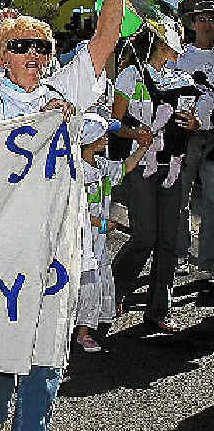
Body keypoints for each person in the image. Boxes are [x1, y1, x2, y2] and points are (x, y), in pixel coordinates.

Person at [0, 0, 124, 431]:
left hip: (60, 242)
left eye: (42, 47)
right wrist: (39, 125)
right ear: (2, 57)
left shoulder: (66, 90)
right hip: (9, 245)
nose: (34, 54)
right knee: (11, 342)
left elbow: (105, 39)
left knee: (49, 351)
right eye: (21, 47)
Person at [110, 27, 207, 334]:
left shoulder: (179, 77)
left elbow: (190, 117)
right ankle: (109, 295)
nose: (183, 41)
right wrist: (137, 134)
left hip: (173, 165)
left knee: (169, 241)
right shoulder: (131, 76)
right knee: (144, 237)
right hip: (141, 165)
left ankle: (158, 311)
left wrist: (194, 123)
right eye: (176, 36)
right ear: (161, 43)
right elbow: (114, 123)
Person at [75, 113, 149, 353]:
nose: (107, 138)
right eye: (102, 135)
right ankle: (80, 333)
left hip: (98, 242)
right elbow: (77, 211)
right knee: (85, 281)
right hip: (83, 240)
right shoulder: (77, 172)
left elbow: (125, 167)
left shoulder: (101, 165)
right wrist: (103, 224)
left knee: (96, 279)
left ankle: (86, 326)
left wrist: (142, 149)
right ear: (90, 139)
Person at [173, 0, 214, 277]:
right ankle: (178, 255)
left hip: (213, 138)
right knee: (180, 199)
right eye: (202, 19)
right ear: (193, 24)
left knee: (212, 202)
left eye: (212, 19)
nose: (207, 24)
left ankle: (208, 261)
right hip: (185, 137)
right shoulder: (181, 56)